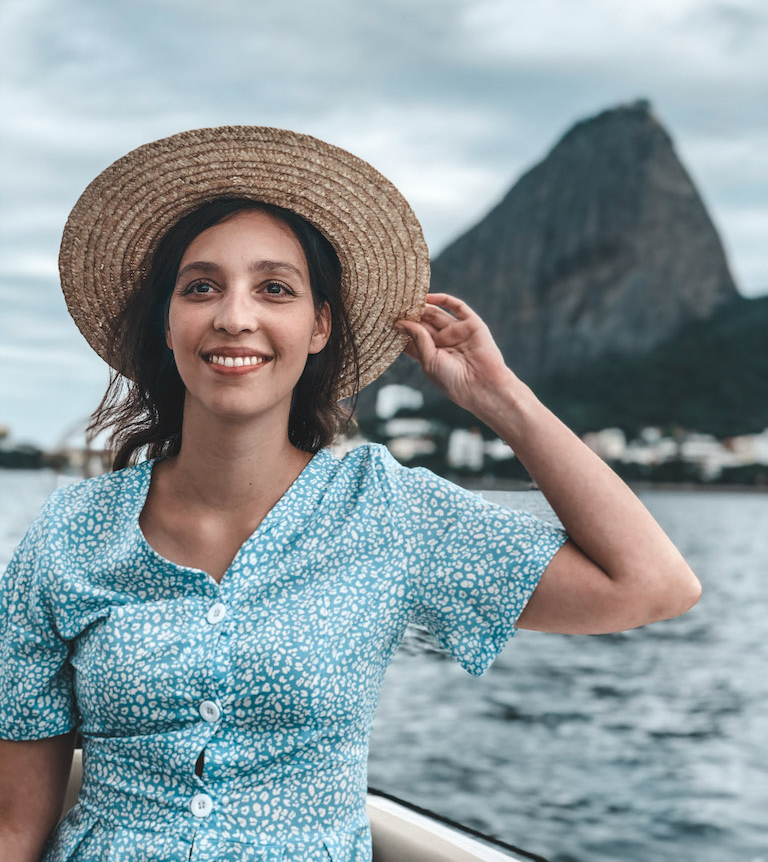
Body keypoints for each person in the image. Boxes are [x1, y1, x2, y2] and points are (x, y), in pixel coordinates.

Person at [0, 125, 701, 862]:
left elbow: (653, 586)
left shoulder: (385, 510)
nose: (235, 316)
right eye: (201, 287)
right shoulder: (71, 535)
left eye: (275, 289)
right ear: (169, 325)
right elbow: (16, 825)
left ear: (318, 327)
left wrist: (502, 399)